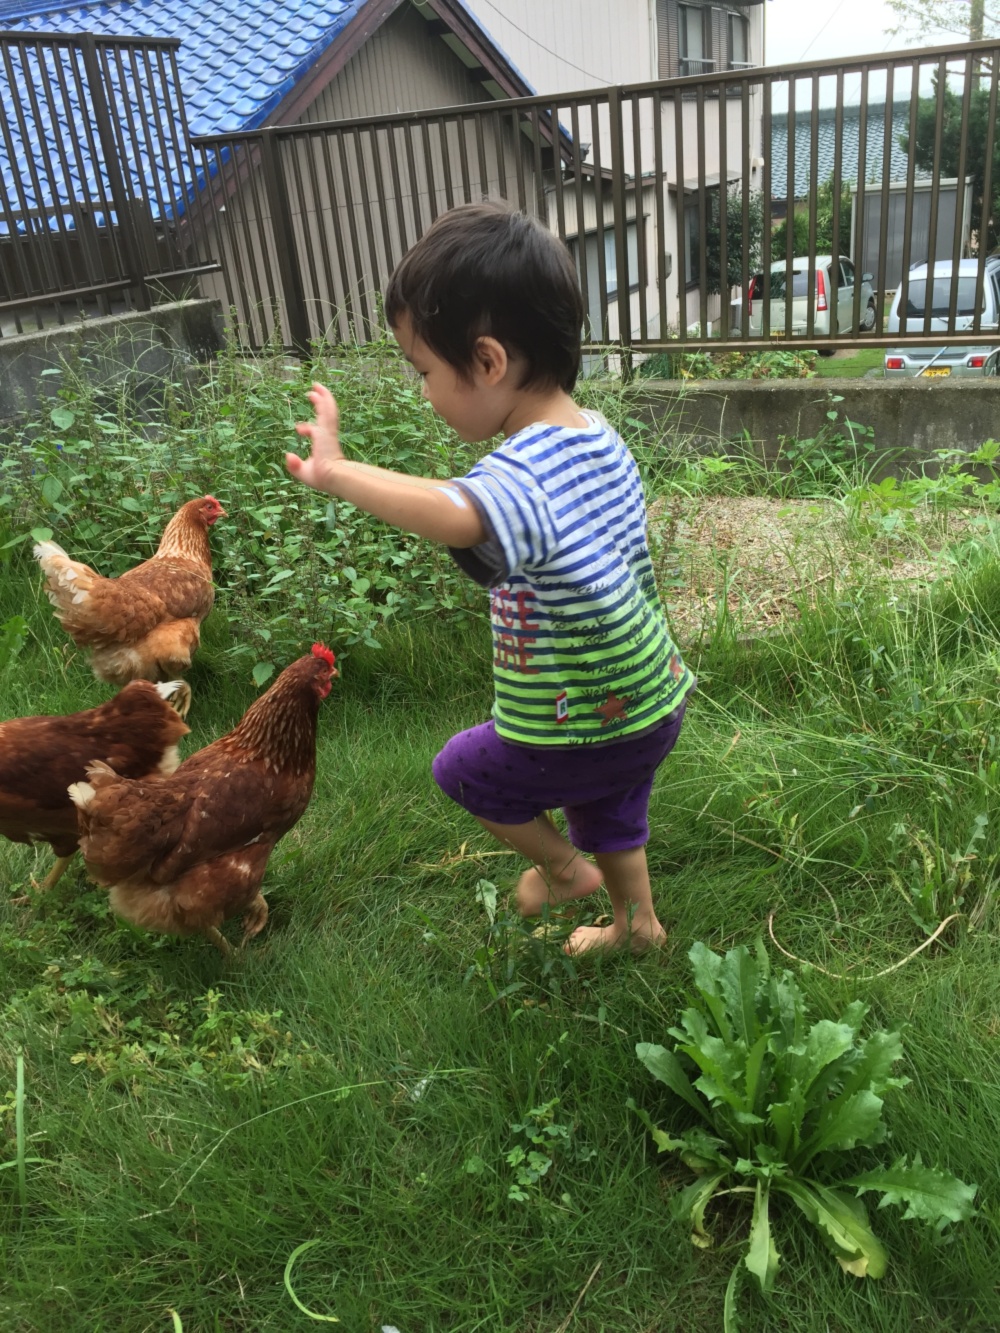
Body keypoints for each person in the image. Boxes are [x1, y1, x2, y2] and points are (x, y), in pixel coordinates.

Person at [286, 202, 694, 954]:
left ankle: (566, 871)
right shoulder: (595, 435)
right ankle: (639, 927)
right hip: (649, 696)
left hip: (581, 716)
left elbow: (459, 513)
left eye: (425, 372)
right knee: (609, 804)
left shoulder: (527, 470)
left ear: (488, 361)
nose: (423, 392)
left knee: (467, 771)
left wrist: (339, 473)